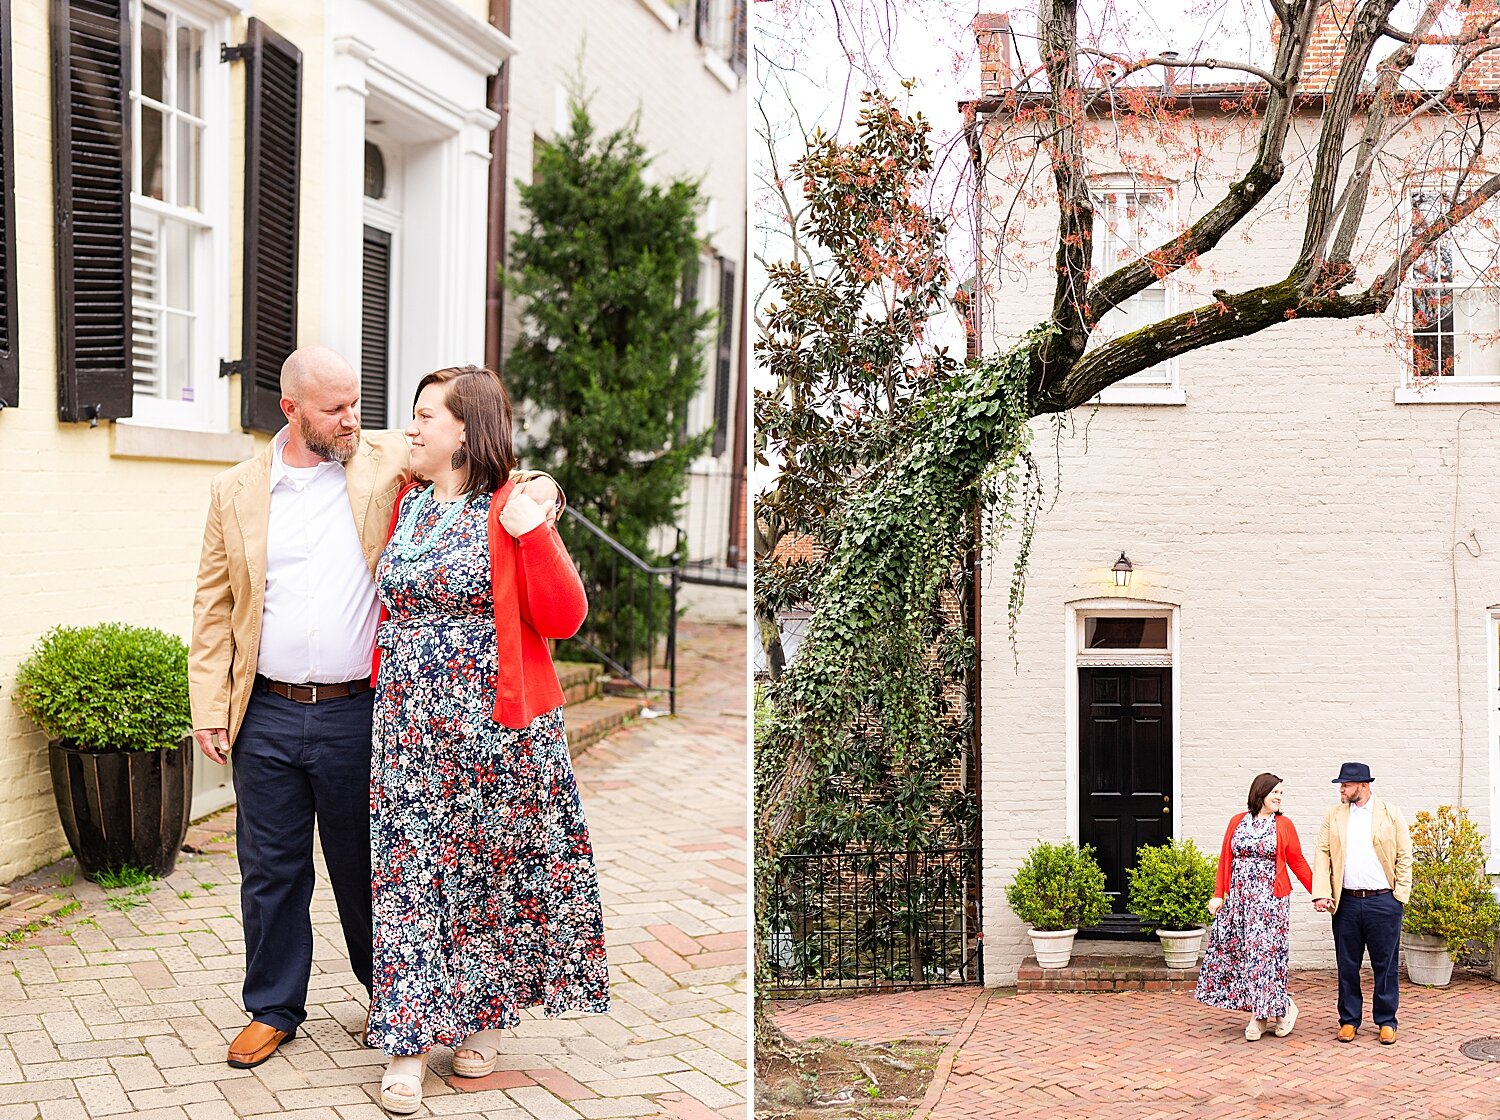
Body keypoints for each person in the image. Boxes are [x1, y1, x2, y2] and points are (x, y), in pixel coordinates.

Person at [189, 347, 559, 1070]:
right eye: (336, 408)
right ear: (291, 410)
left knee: (372, 867)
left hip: (361, 710)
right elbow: (213, 604)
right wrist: (208, 702)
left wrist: (545, 494)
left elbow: (490, 461)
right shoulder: (235, 490)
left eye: (359, 402)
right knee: (269, 870)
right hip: (264, 709)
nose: (355, 419)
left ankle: (389, 1000)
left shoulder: (384, 457)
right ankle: (272, 1007)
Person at [366, 366, 609, 1114]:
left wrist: (538, 514)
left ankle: (485, 1023)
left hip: (498, 731)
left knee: (488, 877)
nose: (411, 428)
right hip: (408, 730)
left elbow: (566, 617)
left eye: (426, 416)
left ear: (467, 431)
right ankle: (407, 1045)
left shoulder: (508, 508)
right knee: (408, 879)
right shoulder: (403, 500)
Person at [1195, 773, 1313, 1040]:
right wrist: (1218, 895)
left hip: (1271, 903)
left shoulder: (1283, 825)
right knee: (1245, 958)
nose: (1279, 797)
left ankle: (1259, 1018)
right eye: (1275, 792)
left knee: (1265, 959)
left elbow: (1298, 862)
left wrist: (1319, 893)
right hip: (1240, 902)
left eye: (1282, 793)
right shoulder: (1238, 822)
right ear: (1260, 793)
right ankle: (1282, 1009)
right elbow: (1225, 858)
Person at [1311, 762, 1412, 1046]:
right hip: (1347, 903)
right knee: (1347, 964)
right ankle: (1349, 1020)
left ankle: (1386, 1021)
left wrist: (1400, 895)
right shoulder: (1334, 815)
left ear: (1363, 786)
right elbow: (1322, 853)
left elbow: (1405, 855)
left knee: (1386, 965)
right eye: (1341, 784)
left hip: (1383, 901)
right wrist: (1321, 891)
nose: (1341, 789)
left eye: (1346, 784)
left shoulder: (1390, 813)